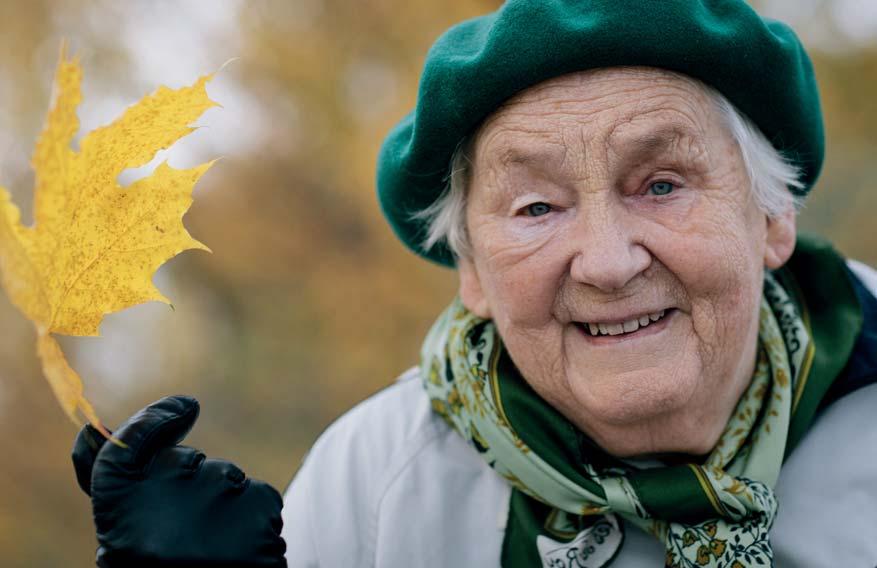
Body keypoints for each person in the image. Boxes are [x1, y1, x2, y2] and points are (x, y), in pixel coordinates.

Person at [72, 1, 877, 566]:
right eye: (535, 206)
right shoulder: (375, 482)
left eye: (661, 185)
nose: (605, 261)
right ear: (473, 273)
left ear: (771, 218)